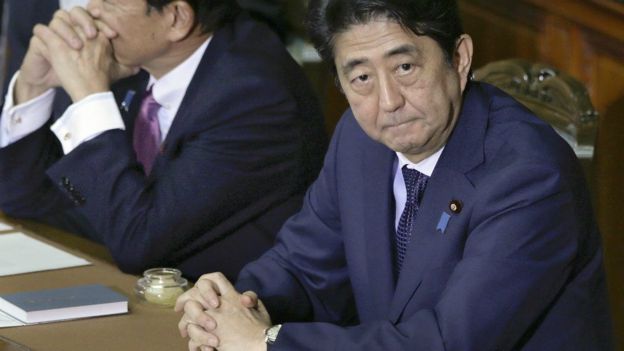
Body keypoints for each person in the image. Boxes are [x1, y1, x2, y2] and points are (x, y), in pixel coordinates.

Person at [175, 0, 613, 349]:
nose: (388, 101)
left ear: (458, 58)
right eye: (361, 77)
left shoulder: (529, 175)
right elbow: (303, 266)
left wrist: (266, 342)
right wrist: (228, 306)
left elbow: (449, 341)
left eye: (405, 67)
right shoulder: (359, 138)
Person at [0, 0, 326, 280]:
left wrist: (88, 95)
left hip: (232, 315)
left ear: (176, 18)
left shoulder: (252, 97)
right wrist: (33, 87)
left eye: (111, 1)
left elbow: (138, 243)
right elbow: (26, 201)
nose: (91, 9)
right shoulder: (147, 58)